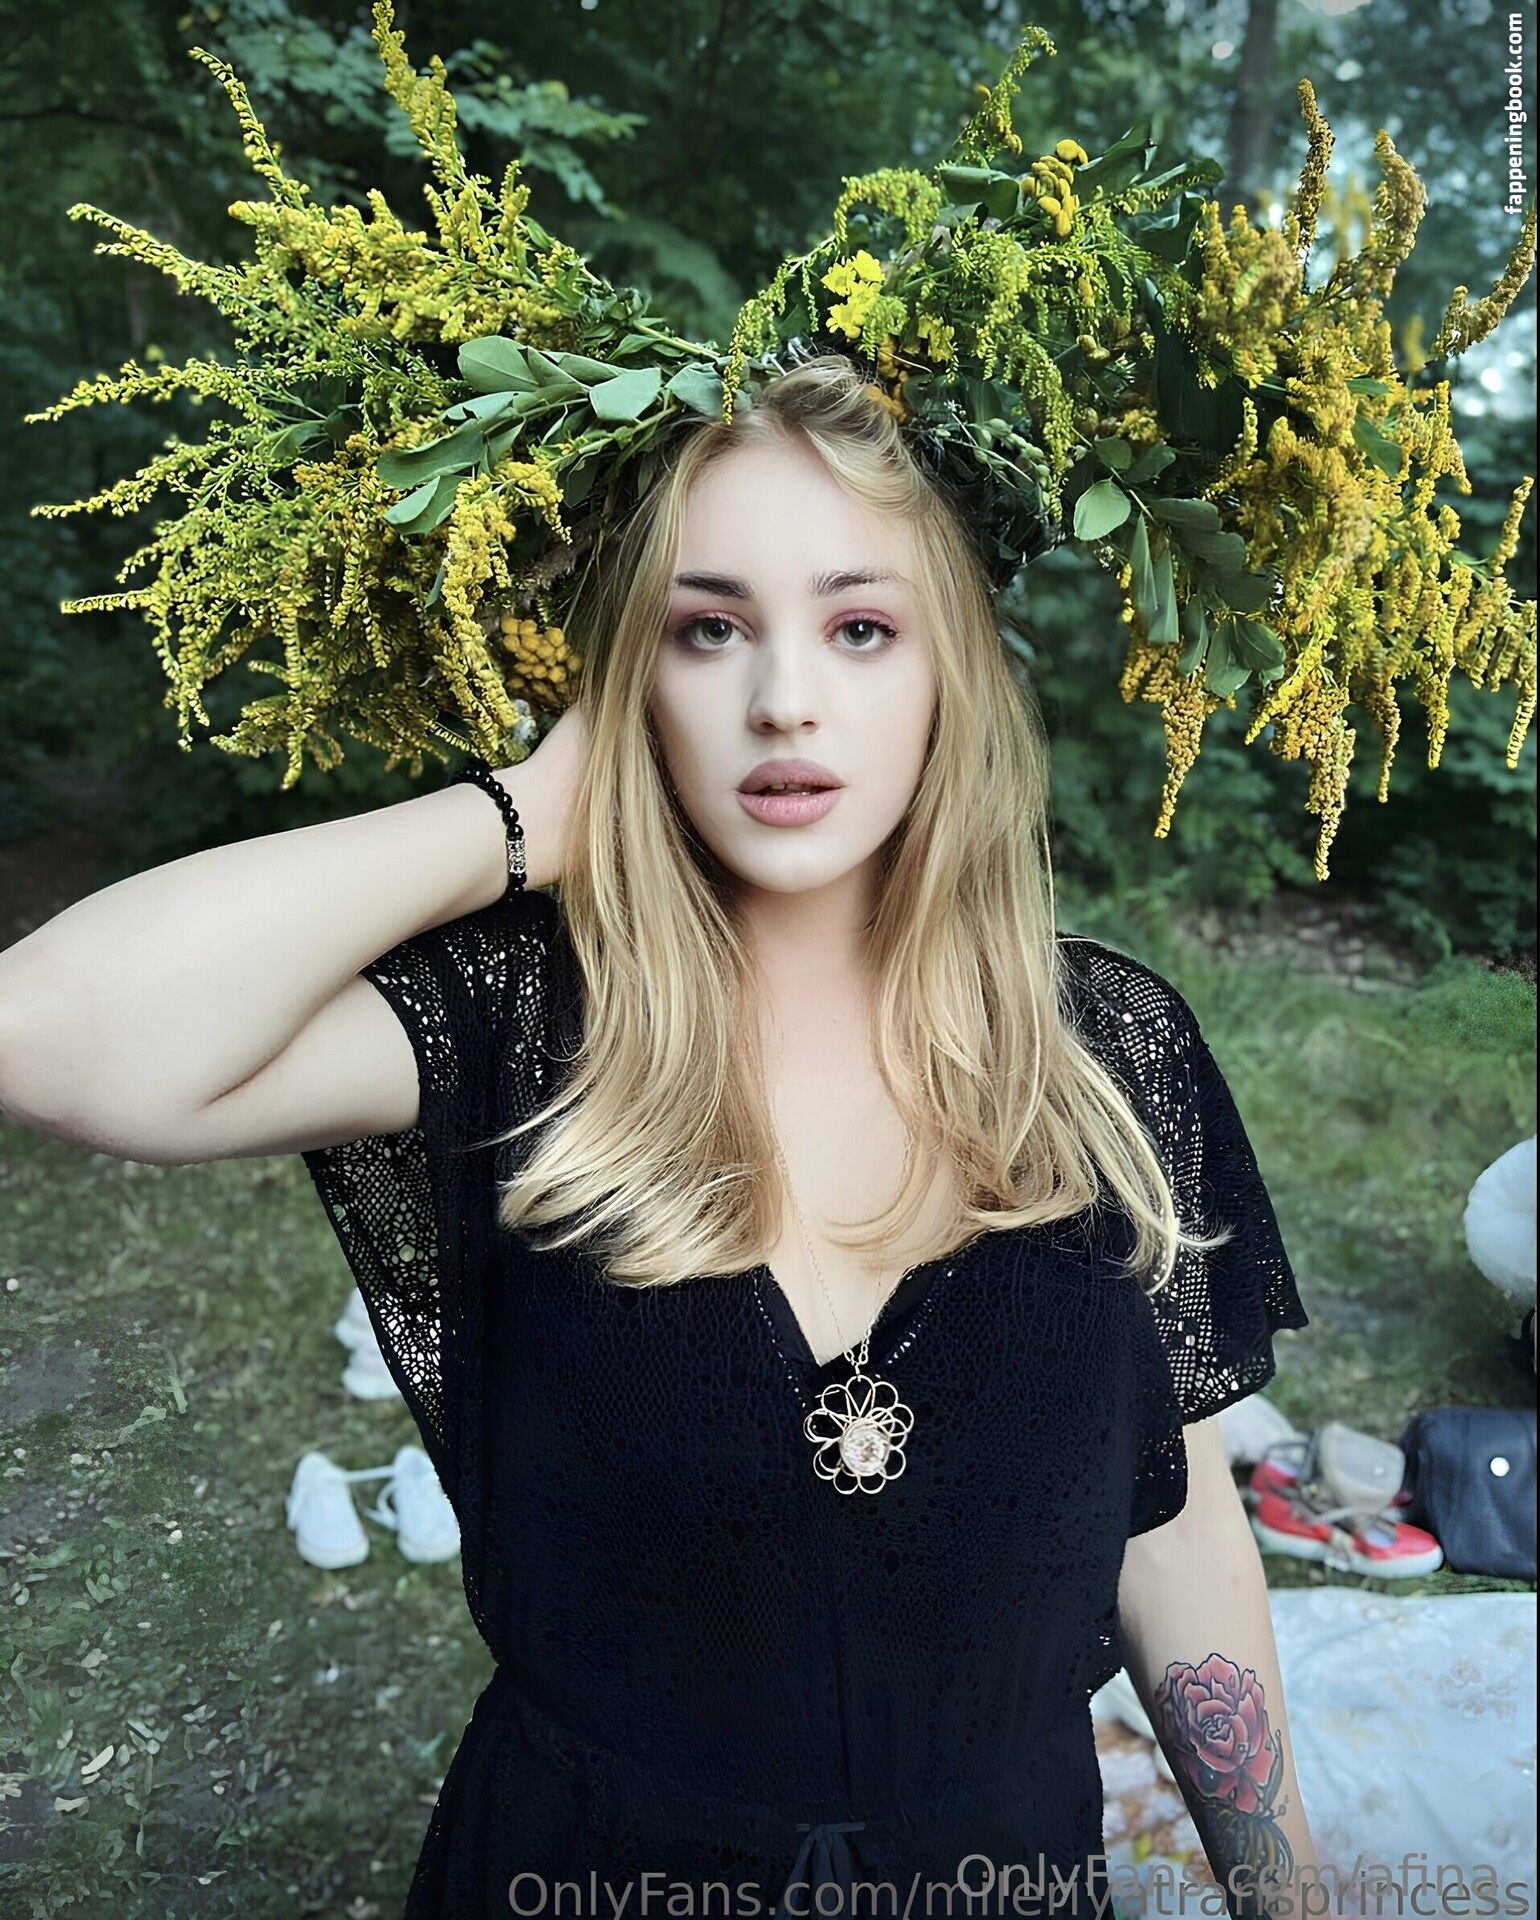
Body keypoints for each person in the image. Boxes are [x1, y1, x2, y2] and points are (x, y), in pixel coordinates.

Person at [0, 356, 1318, 1914]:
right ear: (632, 678)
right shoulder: (522, 1026)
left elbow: (1173, 1532)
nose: (784, 698)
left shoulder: (1104, 1056)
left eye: (862, 627)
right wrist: (525, 815)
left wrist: (1286, 1894)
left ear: (951, 674)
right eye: (708, 629)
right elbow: (53, 1035)